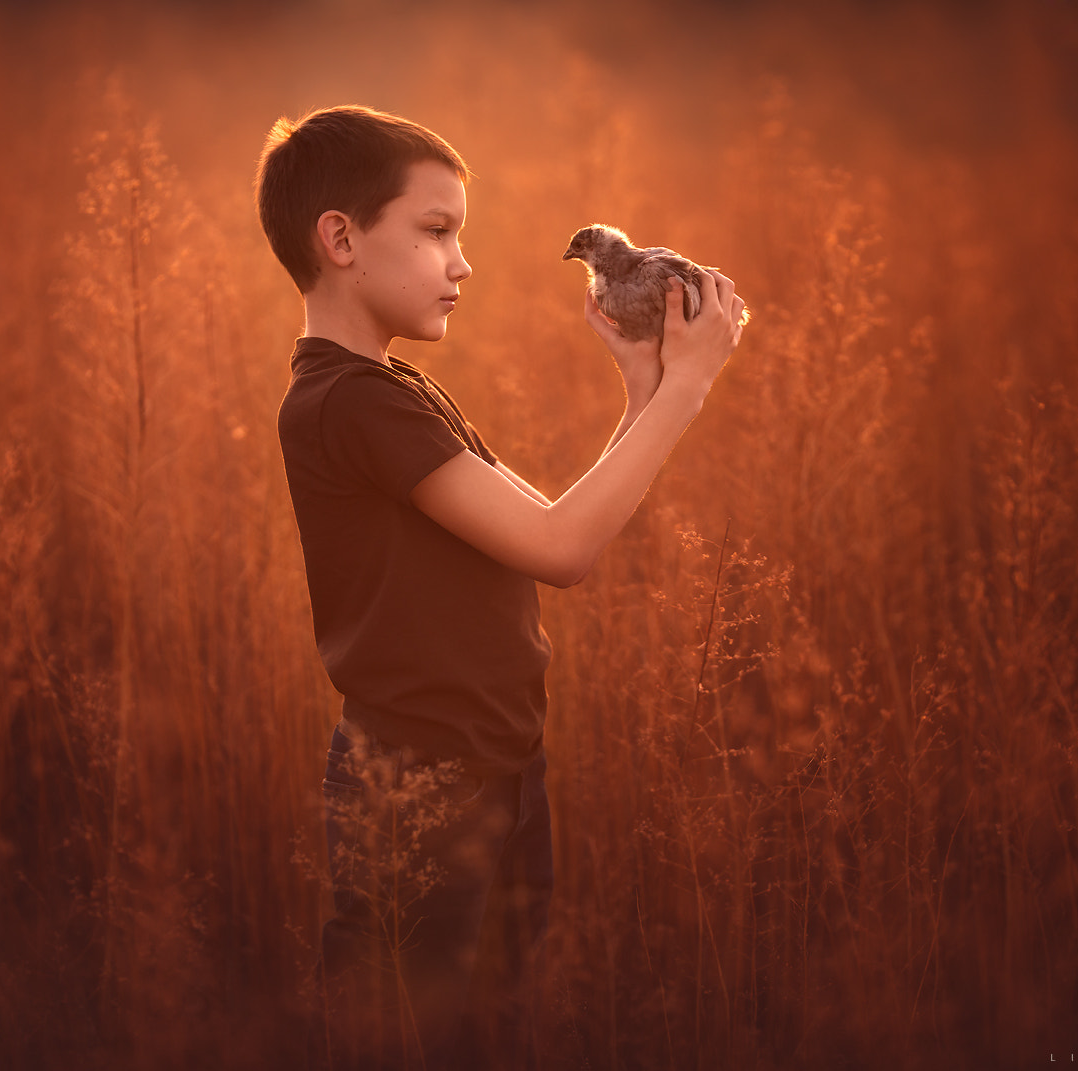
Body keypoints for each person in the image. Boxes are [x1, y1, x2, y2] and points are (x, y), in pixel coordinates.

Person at [254, 105, 746, 1070]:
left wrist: (644, 392)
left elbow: (554, 536)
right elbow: (562, 546)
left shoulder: (396, 391)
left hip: (498, 767)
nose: (462, 263)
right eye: (437, 232)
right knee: (401, 1035)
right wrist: (686, 390)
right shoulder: (348, 404)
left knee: (491, 1030)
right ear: (341, 239)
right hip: (419, 788)